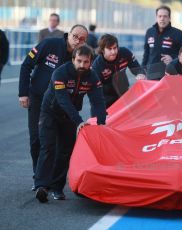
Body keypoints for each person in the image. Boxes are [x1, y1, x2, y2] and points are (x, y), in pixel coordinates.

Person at [18, 24, 88, 189]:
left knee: (58, 145)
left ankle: (53, 181)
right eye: (75, 36)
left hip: (63, 105)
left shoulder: (82, 57)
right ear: (69, 34)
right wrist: (23, 93)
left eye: (82, 38)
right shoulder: (49, 45)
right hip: (37, 99)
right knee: (36, 140)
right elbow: (26, 65)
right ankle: (39, 178)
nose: (78, 40)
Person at [35, 45, 106, 203]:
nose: (82, 65)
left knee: (65, 151)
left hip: (69, 117)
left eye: (86, 62)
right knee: (48, 147)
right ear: (73, 60)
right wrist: (79, 121)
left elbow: (98, 101)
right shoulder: (59, 73)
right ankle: (41, 186)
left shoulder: (93, 77)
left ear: (90, 62)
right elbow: (63, 100)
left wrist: (101, 123)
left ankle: (57, 188)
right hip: (50, 113)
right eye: (79, 61)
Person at [92, 34, 146, 108]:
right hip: (107, 100)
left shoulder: (125, 53)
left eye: (115, 48)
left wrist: (140, 74)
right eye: (109, 49)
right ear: (102, 50)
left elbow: (138, 68)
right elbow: (95, 92)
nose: (113, 52)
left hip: (124, 95)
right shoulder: (97, 66)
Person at [142, 5, 182, 80]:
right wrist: (142, 70)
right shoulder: (150, 32)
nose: (162, 19)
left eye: (165, 16)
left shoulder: (178, 34)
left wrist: (173, 58)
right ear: (156, 17)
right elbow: (146, 53)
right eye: (160, 16)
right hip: (151, 75)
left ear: (169, 18)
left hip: (170, 75)